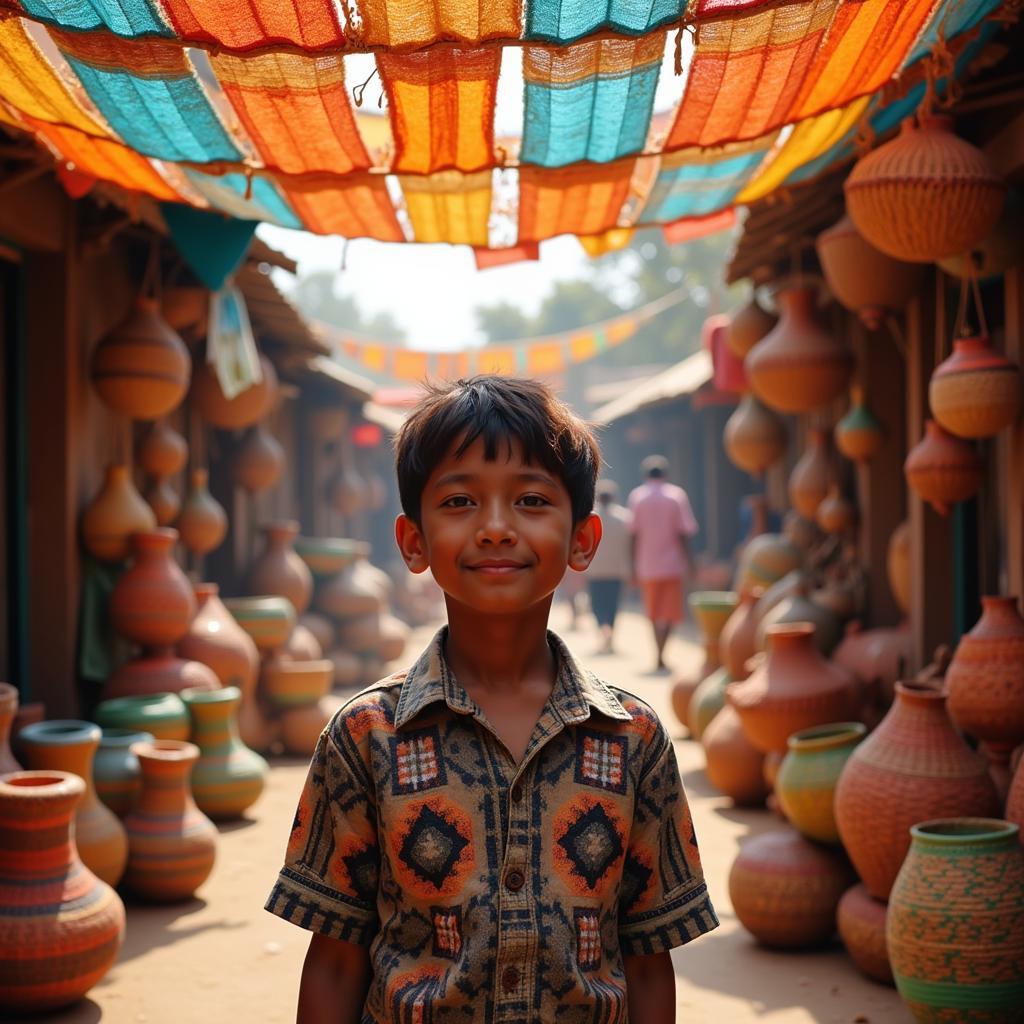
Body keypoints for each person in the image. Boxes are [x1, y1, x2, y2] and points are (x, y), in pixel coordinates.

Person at [265, 376, 717, 1024]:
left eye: (532, 499)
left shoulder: (633, 739)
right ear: (413, 541)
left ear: (582, 540)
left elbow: (646, 959)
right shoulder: (365, 736)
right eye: (460, 501)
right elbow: (337, 961)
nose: (497, 528)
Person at [628, 455, 699, 672]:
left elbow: (633, 534)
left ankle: (658, 653)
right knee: (670, 613)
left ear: (645, 475)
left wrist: (631, 565)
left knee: (653, 613)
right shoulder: (676, 496)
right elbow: (684, 533)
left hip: (647, 566)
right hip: (672, 565)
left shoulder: (637, 497)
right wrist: (691, 562)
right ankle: (662, 652)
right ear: (666, 474)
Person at [586, 479, 633, 654]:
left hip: (595, 569)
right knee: (612, 604)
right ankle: (610, 633)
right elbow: (630, 545)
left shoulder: (590, 517)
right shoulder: (625, 518)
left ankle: (603, 630)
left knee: (597, 604)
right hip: (616, 569)